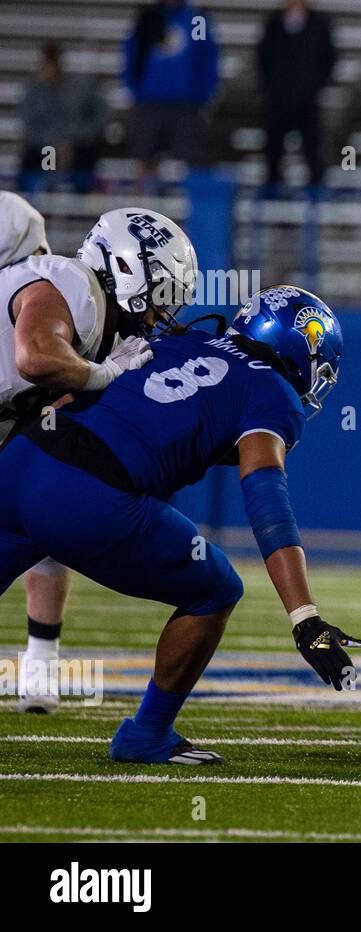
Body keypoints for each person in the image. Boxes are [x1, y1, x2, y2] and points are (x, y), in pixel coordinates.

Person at [0, 283, 359, 763]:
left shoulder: (177, 340)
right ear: (302, 353)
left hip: (21, 459)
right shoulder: (273, 391)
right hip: (88, 497)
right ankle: (147, 733)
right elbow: (266, 497)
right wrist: (304, 617)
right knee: (216, 588)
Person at [1, 205, 181, 713]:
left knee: (51, 495)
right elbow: (34, 356)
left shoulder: (101, 318)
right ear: (125, 267)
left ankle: (39, 663)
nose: (161, 311)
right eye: (161, 291)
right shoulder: (74, 285)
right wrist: (101, 376)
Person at [121, 0, 221, 189]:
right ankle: (143, 210)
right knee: (144, 157)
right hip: (149, 101)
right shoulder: (148, 18)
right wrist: (136, 90)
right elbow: (132, 53)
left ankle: (191, 209)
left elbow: (206, 56)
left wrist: (201, 94)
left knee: (193, 159)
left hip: (186, 104)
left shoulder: (195, 20)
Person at [256, 0, 336, 194]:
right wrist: (273, 87)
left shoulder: (319, 24)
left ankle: (317, 203)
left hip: (307, 102)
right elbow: (262, 58)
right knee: (273, 154)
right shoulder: (273, 23)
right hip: (277, 102)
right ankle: (273, 200)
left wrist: (313, 86)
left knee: (313, 154)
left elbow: (329, 58)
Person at [20, 42, 106, 194]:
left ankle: (80, 200)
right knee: (46, 157)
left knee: (83, 158)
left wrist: (73, 140)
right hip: (46, 148)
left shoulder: (80, 86)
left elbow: (99, 113)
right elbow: (29, 125)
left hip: (77, 146)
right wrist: (55, 143)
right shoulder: (34, 91)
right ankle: (44, 197)